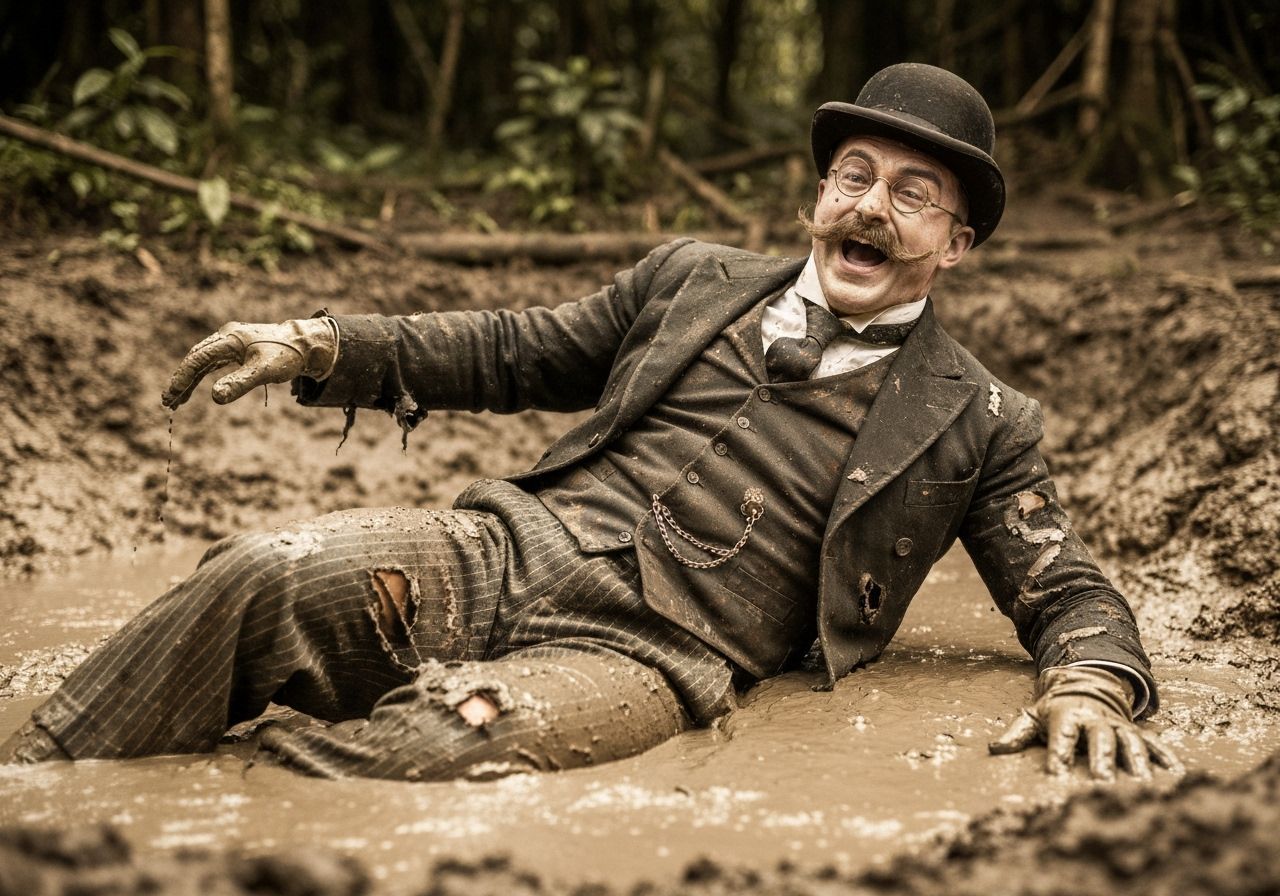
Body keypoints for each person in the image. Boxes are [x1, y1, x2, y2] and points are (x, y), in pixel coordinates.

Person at [3, 63, 1179, 783]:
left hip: (654, 657)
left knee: (457, 739)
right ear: (819, 195)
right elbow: (511, 347)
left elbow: (1064, 586)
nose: (869, 209)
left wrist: (1088, 685)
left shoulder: (978, 417)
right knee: (263, 569)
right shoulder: (692, 278)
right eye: (853, 176)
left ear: (956, 243)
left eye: (914, 196)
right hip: (507, 547)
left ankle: (236, 803)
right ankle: (43, 774)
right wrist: (322, 341)